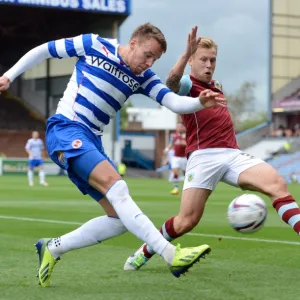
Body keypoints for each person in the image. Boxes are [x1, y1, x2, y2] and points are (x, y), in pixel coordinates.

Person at [0, 23, 227, 287]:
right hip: (65, 129)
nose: (149, 63)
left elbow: (172, 101)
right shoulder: (94, 44)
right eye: (147, 55)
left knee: (118, 219)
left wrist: (200, 102)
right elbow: (45, 50)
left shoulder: (144, 77)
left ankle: (53, 247)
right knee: (118, 189)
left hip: (92, 142)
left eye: (155, 59)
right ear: (133, 44)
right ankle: (171, 254)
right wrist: (9, 75)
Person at [124, 26, 300, 271]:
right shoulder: (188, 84)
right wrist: (184, 55)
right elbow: (171, 83)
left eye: (212, 60)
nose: (208, 64)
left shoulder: (216, 84)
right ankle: (146, 250)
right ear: (192, 61)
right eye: (203, 59)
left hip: (232, 154)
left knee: (277, 185)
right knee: (186, 221)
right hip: (204, 157)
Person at [163, 122, 187, 195]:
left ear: (183, 127)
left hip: (184, 157)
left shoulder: (186, 135)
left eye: (180, 126)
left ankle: (187, 188)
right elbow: (171, 144)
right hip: (176, 157)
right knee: (175, 171)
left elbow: (187, 144)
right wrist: (166, 149)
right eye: (177, 126)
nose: (178, 128)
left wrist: (184, 142)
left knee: (186, 173)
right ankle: (176, 188)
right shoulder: (173, 135)